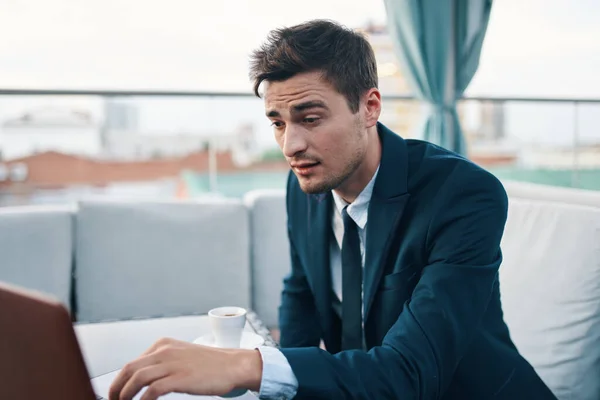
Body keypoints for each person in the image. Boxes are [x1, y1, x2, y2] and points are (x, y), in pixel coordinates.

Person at [109, 19, 557, 400]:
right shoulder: (305, 182)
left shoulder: (463, 196)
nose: (290, 145)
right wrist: (281, 387)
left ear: (369, 107)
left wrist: (251, 366)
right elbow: (301, 291)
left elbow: (411, 372)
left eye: (310, 118)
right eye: (278, 123)